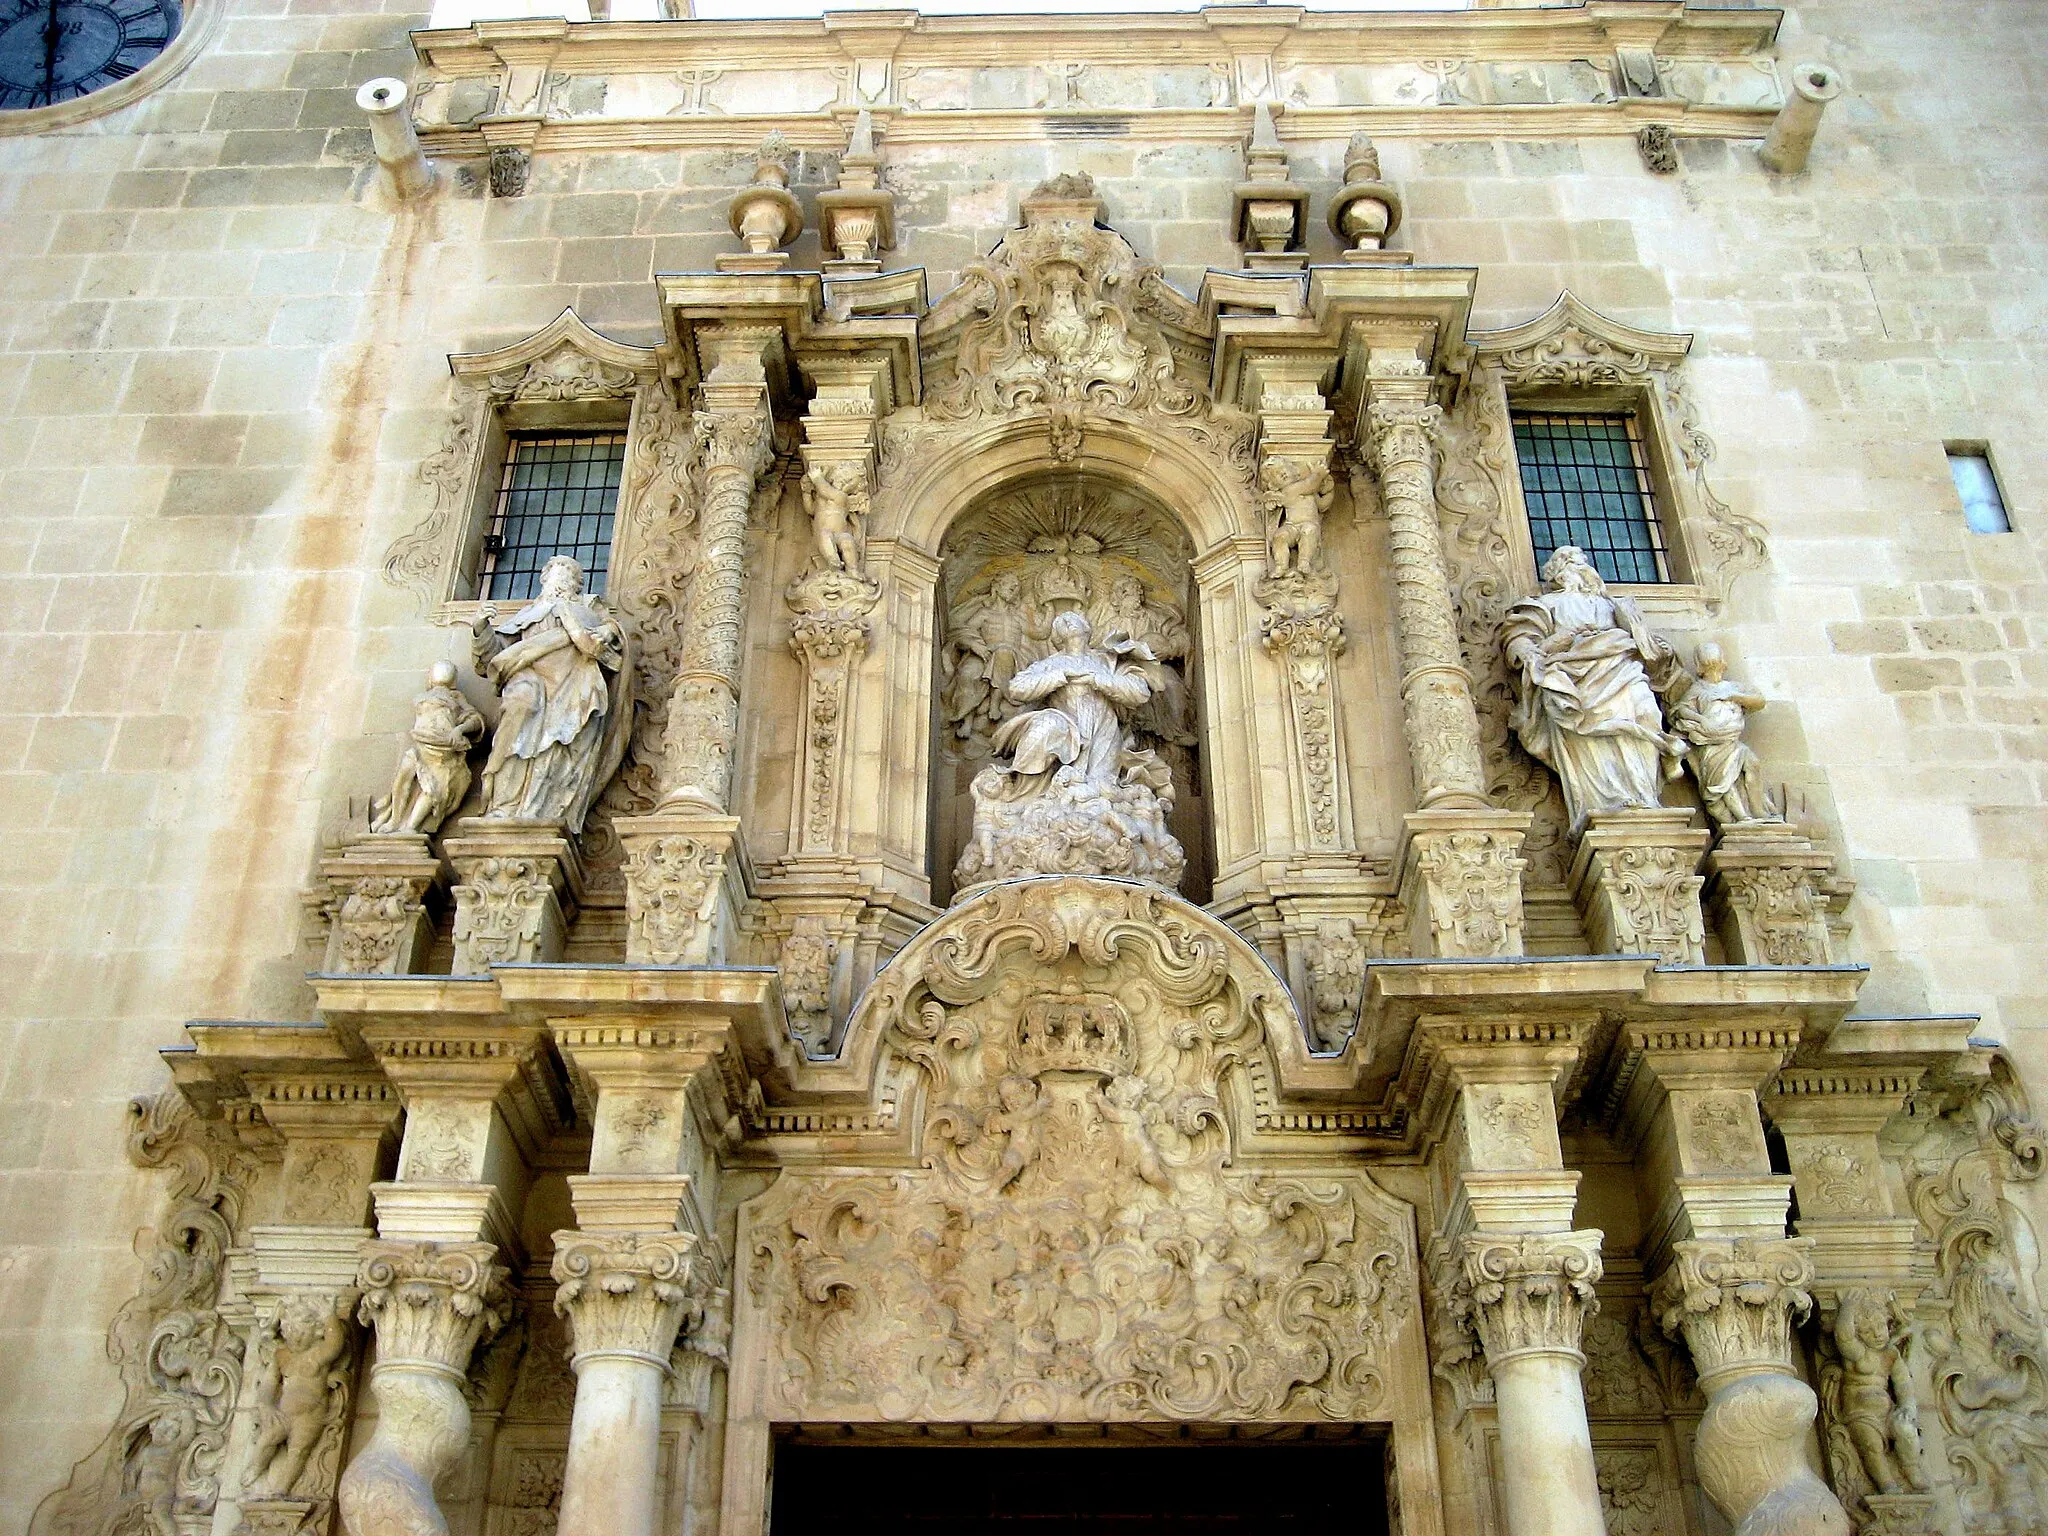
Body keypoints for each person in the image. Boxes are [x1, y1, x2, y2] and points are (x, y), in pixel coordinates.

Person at [1501, 545, 1685, 832]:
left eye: (1583, 561)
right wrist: (1544, 649)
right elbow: (1521, 639)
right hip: (1577, 678)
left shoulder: (1612, 605)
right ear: (1559, 574)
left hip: (1622, 667)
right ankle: (1609, 801)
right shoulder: (1546, 605)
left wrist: (1655, 646)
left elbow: (1648, 645)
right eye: (1574, 562)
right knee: (1593, 734)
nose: (1583, 566)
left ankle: (1645, 793)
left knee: (1647, 713)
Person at [470, 555, 632, 832]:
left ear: (577, 584)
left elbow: (612, 634)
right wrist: (480, 629)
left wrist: (608, 630)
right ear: (544, 579)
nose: (561, 578)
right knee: (518, 714)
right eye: (556, 572)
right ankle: (506, 806)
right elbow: (496, 658)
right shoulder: (529, 615)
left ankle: (542, 808)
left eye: (569, 573)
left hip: (574, 684)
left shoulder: (586, 606)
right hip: (529, 681)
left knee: (560, 746)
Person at [1668, 640, 1780, 827]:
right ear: (1700, 666)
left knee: (1753, 764)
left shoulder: (1733, 687)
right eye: (1708, 664)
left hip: (1732, 740)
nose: (1713, 669)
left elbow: (1759, 701)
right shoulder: (1698, 689)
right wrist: (1702, 721)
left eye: (1715, 663)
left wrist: (1734, 697)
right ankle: (1741, 817)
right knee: (1722, 781)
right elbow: (1680, 710)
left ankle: (1757, 809)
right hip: (1711, 744)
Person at [369, 661, 484, 835]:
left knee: (432, 789)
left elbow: (476, 720)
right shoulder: (424, 698)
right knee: (402, 780)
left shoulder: (456, 699)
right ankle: (395, 820)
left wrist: (459, 730)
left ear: (430, 678)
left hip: (443, 751)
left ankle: (410, 827)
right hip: (421, 746)